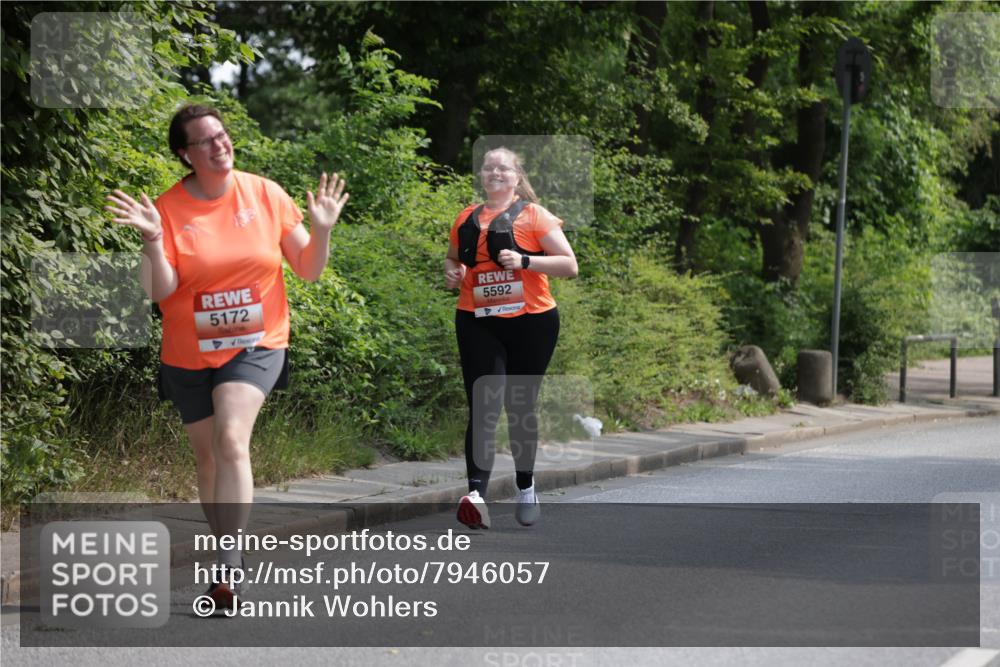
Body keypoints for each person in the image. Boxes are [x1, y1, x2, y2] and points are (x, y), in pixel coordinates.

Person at [105, 104, 348, 607]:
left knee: (231, 438)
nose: (220, 145)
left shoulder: (264, 194)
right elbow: (159, 289)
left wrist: (321, 229)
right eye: (206, 141)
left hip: (256, 344)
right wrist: (152, 240)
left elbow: (307, 269)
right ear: (185, 154)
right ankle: (223, 551)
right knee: (209, 459)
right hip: (187, 351)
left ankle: (229, 566)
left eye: (223, 135)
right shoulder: (169, 209)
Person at [444, 147, 578, 528]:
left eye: (502, 167)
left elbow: (569, 264)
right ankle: (475, 496)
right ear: (482, 176)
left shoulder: (535, 216)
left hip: (531, 322)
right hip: (477, 319)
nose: (494, 172)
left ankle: (526, 487)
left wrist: (525, 261)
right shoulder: (466, 217)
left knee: (519, 407)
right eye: (488, 168)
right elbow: (453, 258)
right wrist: (452, 273)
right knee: (483, 404)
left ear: (516, 177)